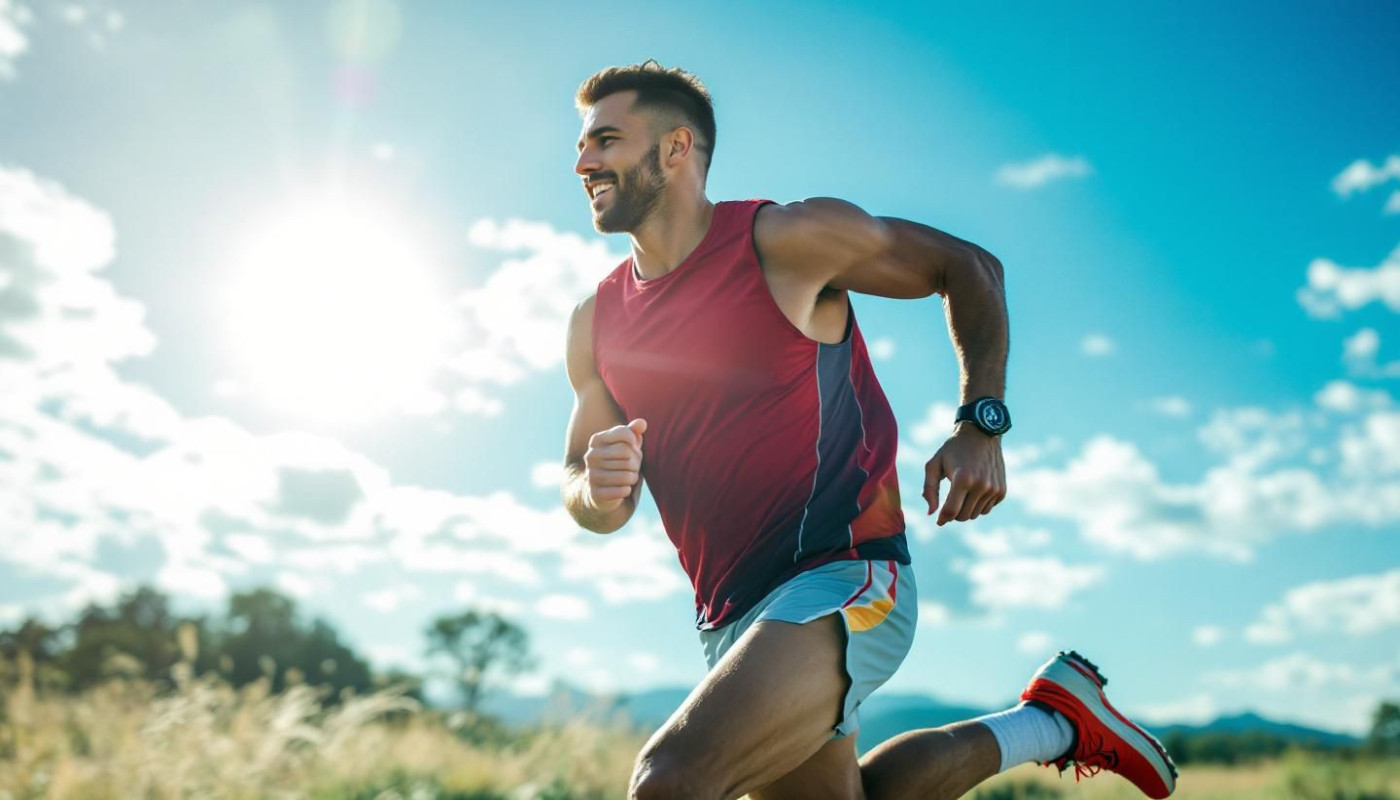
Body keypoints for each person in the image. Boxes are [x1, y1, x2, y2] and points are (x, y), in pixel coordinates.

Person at [560, 59, 1177, 800]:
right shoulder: (596, 324)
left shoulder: (784, 241)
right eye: (584, 144)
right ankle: (1053, 721)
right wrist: (597, 488)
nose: (583, 161)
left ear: (675, 148)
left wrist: (981, 424)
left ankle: (1053, 721)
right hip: (729, 614)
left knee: (669, 784)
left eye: (605, 140)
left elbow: (969, 265)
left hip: (846, 571)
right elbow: (588, 493)